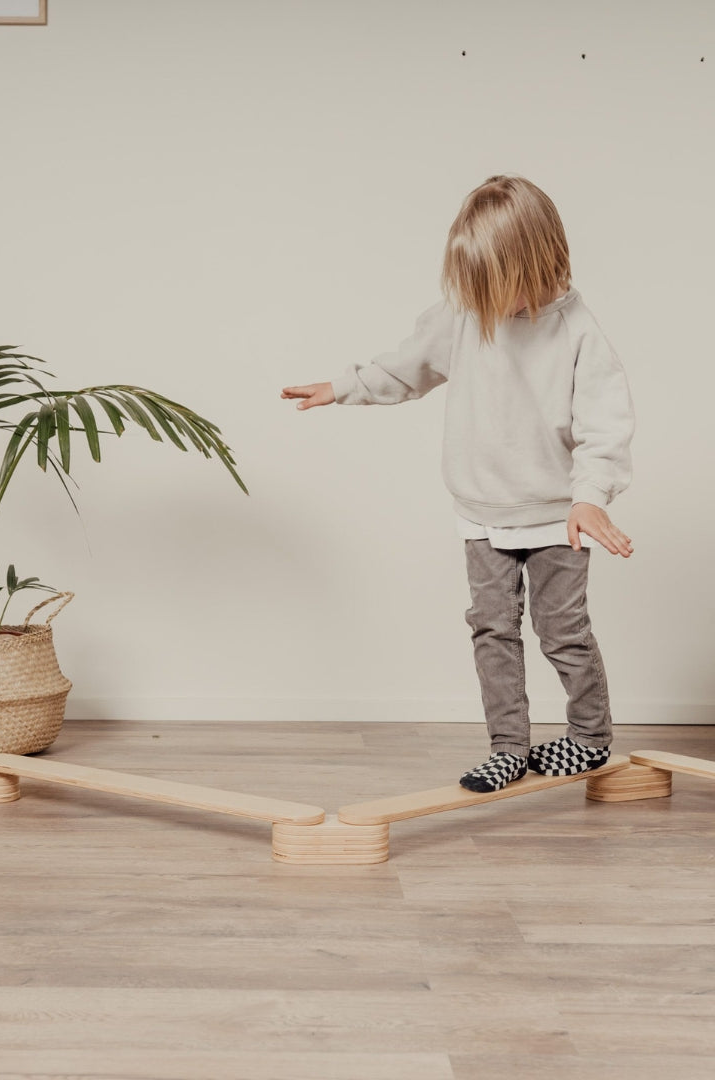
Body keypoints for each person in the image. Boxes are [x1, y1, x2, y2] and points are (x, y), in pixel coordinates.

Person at [282, 175, 634, 794]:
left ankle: (589, 737)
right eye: (475, 288)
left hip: (557, 517)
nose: (485, 301)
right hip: (482, 515)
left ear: (535, 261)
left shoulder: (578, 331)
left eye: (496, 286)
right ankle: (507, 746)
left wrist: (589, 496)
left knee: (563, 631)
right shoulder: (465, 316)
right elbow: (407, 366)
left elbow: (604, 426)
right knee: (492, 630)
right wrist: (343, 387)